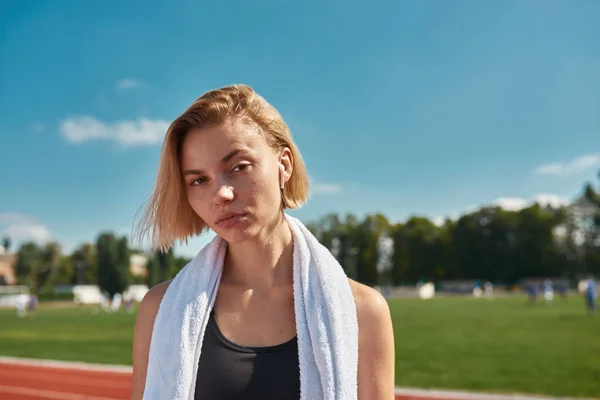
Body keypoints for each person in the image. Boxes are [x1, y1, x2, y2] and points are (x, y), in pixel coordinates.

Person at [130, 84, 395, 399]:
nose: (221, 194)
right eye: (199, 180)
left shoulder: (363, 311)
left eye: (239, 167)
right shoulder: (160, 310)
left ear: (284, 165)